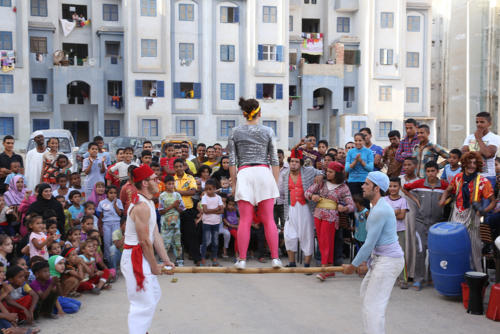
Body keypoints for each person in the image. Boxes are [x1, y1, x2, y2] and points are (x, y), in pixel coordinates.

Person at [343, 172, 404, 334]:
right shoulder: (376, 207)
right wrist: (362, 262)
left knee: (373, 306)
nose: (362, 186)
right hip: (382, 259)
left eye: (367, 184)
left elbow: (369, 244)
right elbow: (373, 244)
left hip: (389, 261)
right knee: (366, 296)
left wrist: (353, 265)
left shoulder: (380, 211)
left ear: (377, 188)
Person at [228, 97, 282, 269]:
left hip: (244, 173)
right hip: (263, 172)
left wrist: (234, 183)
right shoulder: (268, 131)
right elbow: (275, 160)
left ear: (244, 113)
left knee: (245, 219)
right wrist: (274, 181)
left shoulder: (235, 132)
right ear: (259, 113)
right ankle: (275, 258)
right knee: (269, 220)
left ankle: (242, 260)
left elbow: (231, 161)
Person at [121, 164, 175, 333]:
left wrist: (165, 260)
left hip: (141, 255)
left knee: (153, 293)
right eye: (154, 179)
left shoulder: (149, 202)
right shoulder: (142, 207)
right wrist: (153, 266)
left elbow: (155, 234)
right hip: (134, 257)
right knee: (143, 303)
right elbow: (144, 241)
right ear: (144, 183)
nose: (158, 181)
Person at [439, 151, 496, 271]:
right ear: (464, 163)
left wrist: (483, 211)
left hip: (472, 216)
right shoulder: (458, 178)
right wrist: (443, 200)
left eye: (475, 163)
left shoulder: (482, 181)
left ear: (478, 165)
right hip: (456, 214)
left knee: (474, 248)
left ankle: (477, 275)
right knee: (456, 247)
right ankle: (457, 274)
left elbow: (493, 201)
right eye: (469, 162)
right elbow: (447, 191)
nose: (472, 165)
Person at [305, 161, 354, 280]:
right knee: (323, 242)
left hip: (331, 217)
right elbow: (307, 193)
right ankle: (329, 269)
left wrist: (345, 208)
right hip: (318, 215)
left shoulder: (343, 187)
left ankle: (324, 269)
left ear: (337, 173)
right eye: (327, 171)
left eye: (331, 172)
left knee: (326, 242)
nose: (328, 173)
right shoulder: (321, 183)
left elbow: (351, 205)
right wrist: (313, 196)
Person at [403, 161, 448, 290]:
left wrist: (445, 199)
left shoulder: (444, 185)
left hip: (437, 224)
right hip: (420, 222)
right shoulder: (419, 183)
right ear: (425, 172)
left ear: (437, 171)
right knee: (420, 251)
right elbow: (405, 188)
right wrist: (416, 200)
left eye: (433, 171)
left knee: (435, 252)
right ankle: (418, 279)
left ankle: (432, 278)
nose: (430, 174)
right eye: (428, 171)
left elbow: (453, 190)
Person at [280, 150, 323, 268]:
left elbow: (323, 172)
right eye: (291, 161)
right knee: (289, 235)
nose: (293, 164)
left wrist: (319, 174)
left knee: (306, 235)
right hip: (290, 208)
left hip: (305, 208)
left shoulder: (308, 171)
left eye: (296, 161)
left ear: (301, 163)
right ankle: (292, 262)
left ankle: (307, 264)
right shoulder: (285, 174)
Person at [462, 111, 500, 187]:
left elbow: (488, 154)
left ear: (489, 124)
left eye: (482, 122)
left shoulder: (495, 138)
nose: (479, 124)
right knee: (470, 198)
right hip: (470, 175)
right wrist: (480, 152)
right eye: (477, 122)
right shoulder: (469, 137)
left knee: (485, 199)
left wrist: (479, 138)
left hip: (487, 176)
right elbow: (464, 154)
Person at [173, 158, 200, 265]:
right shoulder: (172, 179)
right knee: (177, 236)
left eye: (180, 166)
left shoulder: (190, 178)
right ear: (174, 168)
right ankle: (179, 259)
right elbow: (170, 193)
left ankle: (196, 258)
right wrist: (185, 192)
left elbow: (193, 191)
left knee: (192, 235)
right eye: (176, 166)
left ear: (184, 167)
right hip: (175, 211)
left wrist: (177, 192)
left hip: (188, 210)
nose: (179, 168)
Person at [385, 178, 409, 289]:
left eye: (395, 186)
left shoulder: (403, 200)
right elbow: (383, 216)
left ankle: (403, 279)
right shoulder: (384, 200)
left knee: (400, 255)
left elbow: (402, 216)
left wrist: (391, 214)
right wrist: (395, 212)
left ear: (399, 187)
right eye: (390, 186)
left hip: (400, 231)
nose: (392, 188)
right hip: (387, 232)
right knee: (386, 255)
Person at [159, 175, 184, 267]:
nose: (171, 185)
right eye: (169, 184)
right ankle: (163, 260)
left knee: (177, 242)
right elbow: (161, 211)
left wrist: (176, 206)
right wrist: (172, 205)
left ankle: (179, 260)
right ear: (165, 185)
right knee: (165, 242)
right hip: (165, 223)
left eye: (173, 183)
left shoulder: (177, 195)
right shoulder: (162, 196)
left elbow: (182, 210)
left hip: (176, 222)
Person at [345, 133, 374, 206]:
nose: (357, 142)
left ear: (364, 141)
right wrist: (355, 161)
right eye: (356, 140)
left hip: (364, 181)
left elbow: (370, 168)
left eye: (360, 140)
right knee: (354, 203)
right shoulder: (350, 152)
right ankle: (353, 217)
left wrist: (361, 161)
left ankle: (365, 217)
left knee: (365, 203)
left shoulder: (369, 152)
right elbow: (347, 169)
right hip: (352, 181)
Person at [200, 179, 224, 266]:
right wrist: (216, 209)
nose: (207, 191)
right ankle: (202, 258)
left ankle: (214, 258)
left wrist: (212, 210)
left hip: (216, 223)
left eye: (210, 189)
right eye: (206, 189)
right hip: (206, 222)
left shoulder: (218, 198)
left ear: (214, 189)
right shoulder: (204, 197)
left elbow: (222, 211)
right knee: (205, 241)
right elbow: (205, 211)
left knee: (215, 241)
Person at [97, 186, 123, 265]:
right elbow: (101, 216)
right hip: (106, 225)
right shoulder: (102, 203)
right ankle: (109, 261)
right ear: (107, 194)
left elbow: (120, 214)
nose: (113, 195)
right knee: (107, 242)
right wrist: (100, 228)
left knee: (116, 242)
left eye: (115, 193)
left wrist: (115, 205)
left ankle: (117, 260)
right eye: (111, 193)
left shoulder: (118, 201)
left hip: (116, 223)